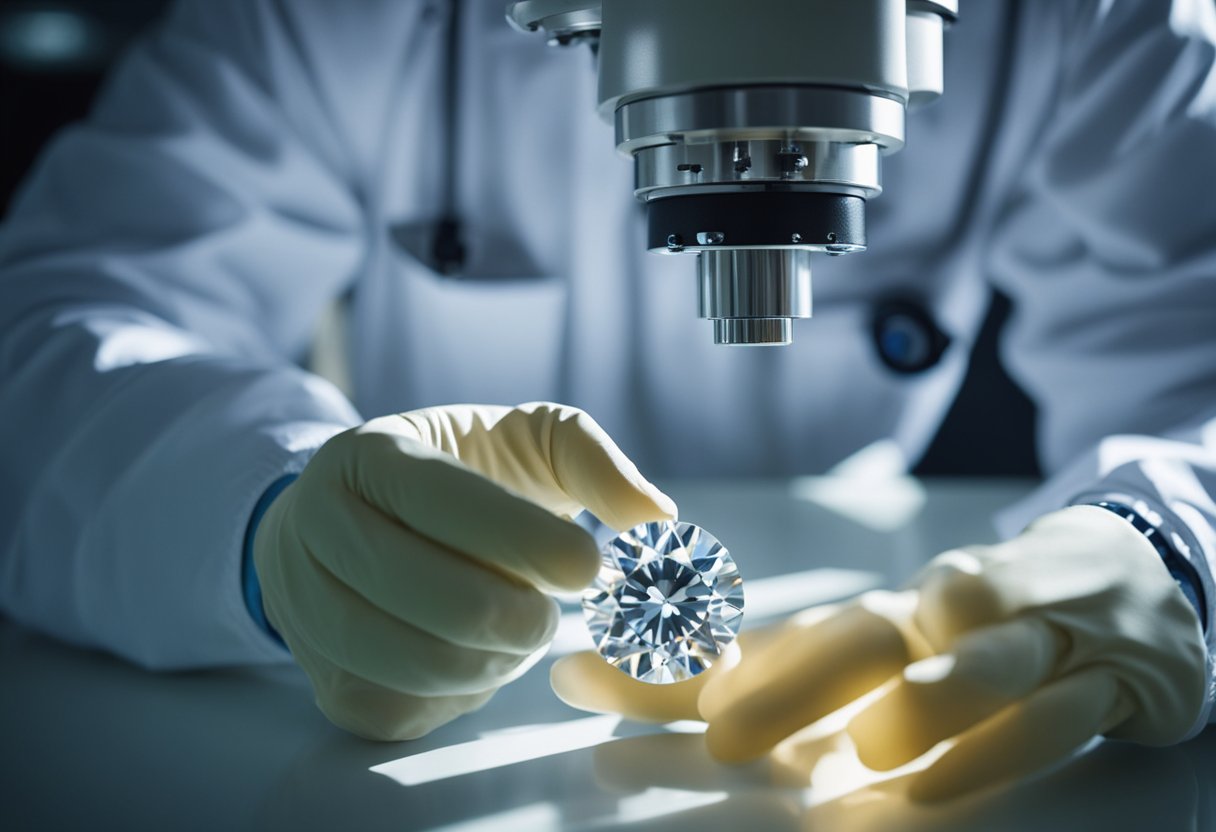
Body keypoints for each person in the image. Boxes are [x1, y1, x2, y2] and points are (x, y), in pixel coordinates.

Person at [0, 0, 1213, 801]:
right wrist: (264, 524)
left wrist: (1167, 543)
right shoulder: (331, 21)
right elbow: (49, 330)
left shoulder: (1100, 22)